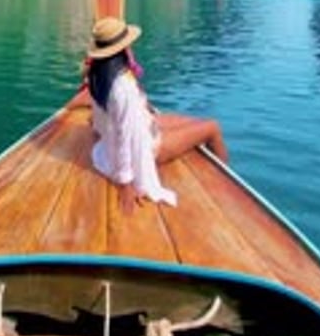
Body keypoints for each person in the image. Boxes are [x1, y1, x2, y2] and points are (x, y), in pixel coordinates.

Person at [86, 16, 228, 215]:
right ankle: (227, 190)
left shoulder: (96, 74)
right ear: (121, 49)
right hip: (146, 147)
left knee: (195, 123)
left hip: (139, 129)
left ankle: (218, 171)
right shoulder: (122, 89)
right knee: (213, 127)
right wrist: (126, 185)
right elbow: (124, 136)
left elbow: (109, 118)